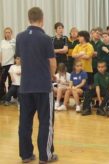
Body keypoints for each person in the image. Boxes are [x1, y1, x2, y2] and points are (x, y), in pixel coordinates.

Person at [16, 7, 58, 163]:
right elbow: (52, 63)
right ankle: (45, 156)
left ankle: (26, 155)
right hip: (42, 86)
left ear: (29, 19)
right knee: (45, 122)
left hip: (25, 86)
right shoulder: (46, 38)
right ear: (42, 19)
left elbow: (19, 59)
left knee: (24, 122)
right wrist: (51, 75)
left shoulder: (20, 37)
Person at [0, 27, 15, 97]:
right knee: (2, 81)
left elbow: (17, 52)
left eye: (9, 32)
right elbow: (0, 53)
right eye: (6, 32)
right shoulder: (2, 42)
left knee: (11, 82)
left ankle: (10, 97)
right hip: (4, 64)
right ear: (4, 34)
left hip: (12, 64)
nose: (7, 34)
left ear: (11, 33)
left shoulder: (14, 41)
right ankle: (3, 96)